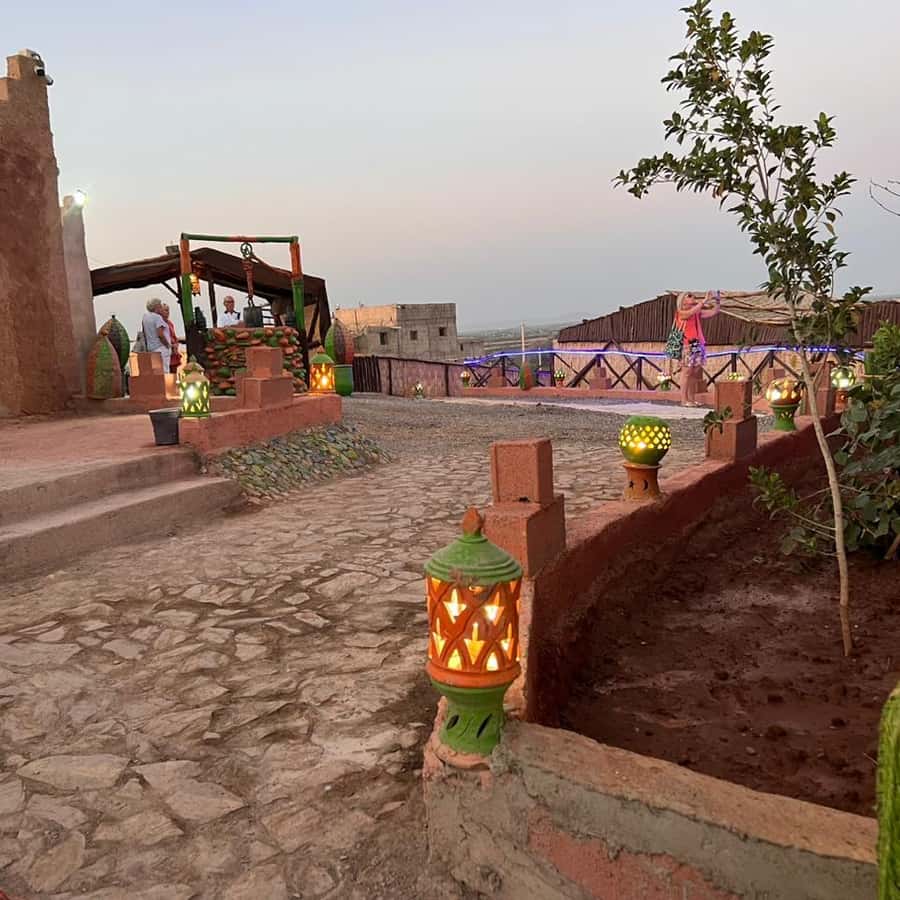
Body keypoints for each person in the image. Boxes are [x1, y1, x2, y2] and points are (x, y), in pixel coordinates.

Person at [669, 291, 720, 406]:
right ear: (682, 300)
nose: (693, 298)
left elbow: (714, 312)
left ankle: (691, 399)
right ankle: (684, 400)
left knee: (694, 372)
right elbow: (691, 312)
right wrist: (704, 301)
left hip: (697, 344)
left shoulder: (696, 313)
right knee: (686, 372)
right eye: (689, 296)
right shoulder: (681, 313)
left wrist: (717, 301)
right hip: (686, 345)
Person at [141, 298, 171, 374]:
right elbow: (160, 334)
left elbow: (144, 332)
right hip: (160, 347)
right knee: (165, 370)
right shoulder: (157, 317)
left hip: (151, 348)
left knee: (156, 371)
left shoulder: (145, 317)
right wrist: (167, 345)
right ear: (156, 307)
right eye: (160, 306)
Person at [161, 303, 182, 373]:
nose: (168, 312)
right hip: (165, 353)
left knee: (173, 373)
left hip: (173, 353)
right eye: (165, 310)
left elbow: (174, 337)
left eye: (168, 310)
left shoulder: (170, 323)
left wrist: (176, 345)